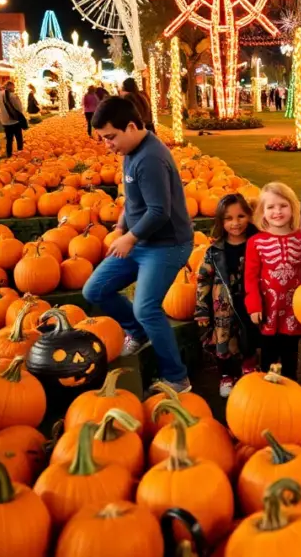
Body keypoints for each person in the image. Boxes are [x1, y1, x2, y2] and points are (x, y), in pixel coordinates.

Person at [83, 97, 193, 393]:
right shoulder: (131, 151)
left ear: (131, 127)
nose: (107, 144)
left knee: (146, 308)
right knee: (94, 290)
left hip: (167, 244)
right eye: (103, 138)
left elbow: (159, 211)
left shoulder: (151, 159)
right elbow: (134, 199)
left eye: (110, 137)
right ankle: (137, 331)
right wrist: (122, 224)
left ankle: (177, 378)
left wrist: (130, 238)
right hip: (141, 240)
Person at [196, 193, 259, 398]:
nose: (235, 223)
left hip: (248, 301)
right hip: (222, 304)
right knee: (223, 339)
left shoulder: (256, 244)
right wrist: (201, 308)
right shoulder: (214, 251)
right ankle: (226, 375)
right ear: (220, 222)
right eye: (228, 218)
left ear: (249, 216)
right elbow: (203, 279)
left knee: (248, 336)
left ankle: (249, 366)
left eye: (241, 216)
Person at [245, 182, 301, 380]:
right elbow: (250, 277)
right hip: (267, 309)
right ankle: (268, 390)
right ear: (262, 212)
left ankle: (291, 387)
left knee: (290, 354)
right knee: (268, 355)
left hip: (293, 309)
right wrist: (254, 305)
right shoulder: (256, 242)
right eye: (270, 207)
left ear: (293, 208)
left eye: (283, 205)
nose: (277, 211)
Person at [0, 81, 27, 157]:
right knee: (19, 138)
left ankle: (9, 154)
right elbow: (19, 108)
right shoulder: (12, 96)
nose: (14, 88)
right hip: (14, 121)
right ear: (10, 86)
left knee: (9, 139)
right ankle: (20, 153)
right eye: (13, 86)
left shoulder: (0, 94)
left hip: (5, 121)